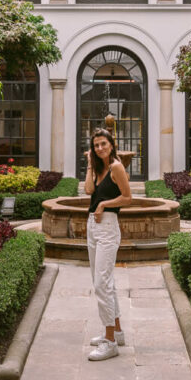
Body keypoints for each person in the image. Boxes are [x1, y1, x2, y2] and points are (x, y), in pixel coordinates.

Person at [84, 127, 133, 361]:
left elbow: (128, 197)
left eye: (103, 144)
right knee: (105, 281)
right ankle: (118, 331)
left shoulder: (116, 166)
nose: (100, 148)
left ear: (111, 144)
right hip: (92, 225)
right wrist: (90, 164)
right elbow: (88, 190)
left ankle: (110, 341)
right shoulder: (100, 168)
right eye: (96, 145)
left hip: (107, 225)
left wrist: (104, 205)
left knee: (101, 284)